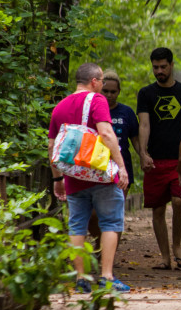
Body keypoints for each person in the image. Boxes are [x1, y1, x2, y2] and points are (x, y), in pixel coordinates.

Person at [48, 63, 130, 293]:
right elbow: (105, 133)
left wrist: (58, 179)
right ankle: (106, 277)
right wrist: (121, 167)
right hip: (100, 174)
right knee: (111, 223)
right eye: (102, 81)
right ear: (94, 81)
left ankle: (81, 279)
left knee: (76, 227)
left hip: (73, 176)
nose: (103, 87)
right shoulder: (97, 100)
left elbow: (52, 146)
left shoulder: (59, 107)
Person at [137, 47, 181, 270]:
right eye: (155, 67)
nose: (159, 71)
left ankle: (178, 246)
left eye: (163, 66)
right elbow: (144, 124)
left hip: (179, 159)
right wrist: (143, 153)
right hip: (156, 159)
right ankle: (165, 257)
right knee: (158, 209)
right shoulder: (146, 94)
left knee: (179, 202)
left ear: (172, 65)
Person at [88, 71, 141, 244]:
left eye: (113, 92)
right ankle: (100, 241)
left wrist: (144, 156)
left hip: (121, 169)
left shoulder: (126, 112)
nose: (109, 95)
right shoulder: (91, 110)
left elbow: (135, 139)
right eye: (106, 91)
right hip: (95, 168)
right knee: (92, 214)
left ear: (119, 92)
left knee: (114, 213)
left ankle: (108, 254)